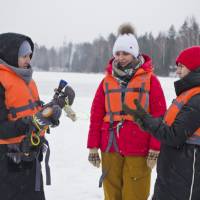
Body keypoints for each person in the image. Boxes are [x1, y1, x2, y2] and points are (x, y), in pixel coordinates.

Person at [87, 23, 166, 200]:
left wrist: (155, 148)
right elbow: (96, 116)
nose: (121, 57)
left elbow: (159, 116)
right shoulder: (106, 81)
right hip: (110, 145)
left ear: (135, 54)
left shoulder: (151, 81)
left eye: (126, 53)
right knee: (111, 192)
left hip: (139, 145)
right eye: (118, 53)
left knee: (136, 193)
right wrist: (93, 147)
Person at [0, 33, 75, 200]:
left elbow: (35, 115)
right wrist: (30, 123)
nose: (28, 60)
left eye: (29, 55)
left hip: (31, 157)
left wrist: (55, 106)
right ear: (10, 56)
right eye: (23, 56)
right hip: (7, 162)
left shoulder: (28, 81)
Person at [123, 46, 200, 200]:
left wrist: (145, 119)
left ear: (194, 68)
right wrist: (144, 119)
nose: (177, 71)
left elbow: (174, 135)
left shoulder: (197, 98)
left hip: (184, 179)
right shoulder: (187, 94)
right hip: (173, 174)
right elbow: (168, 124)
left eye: (181, 67)